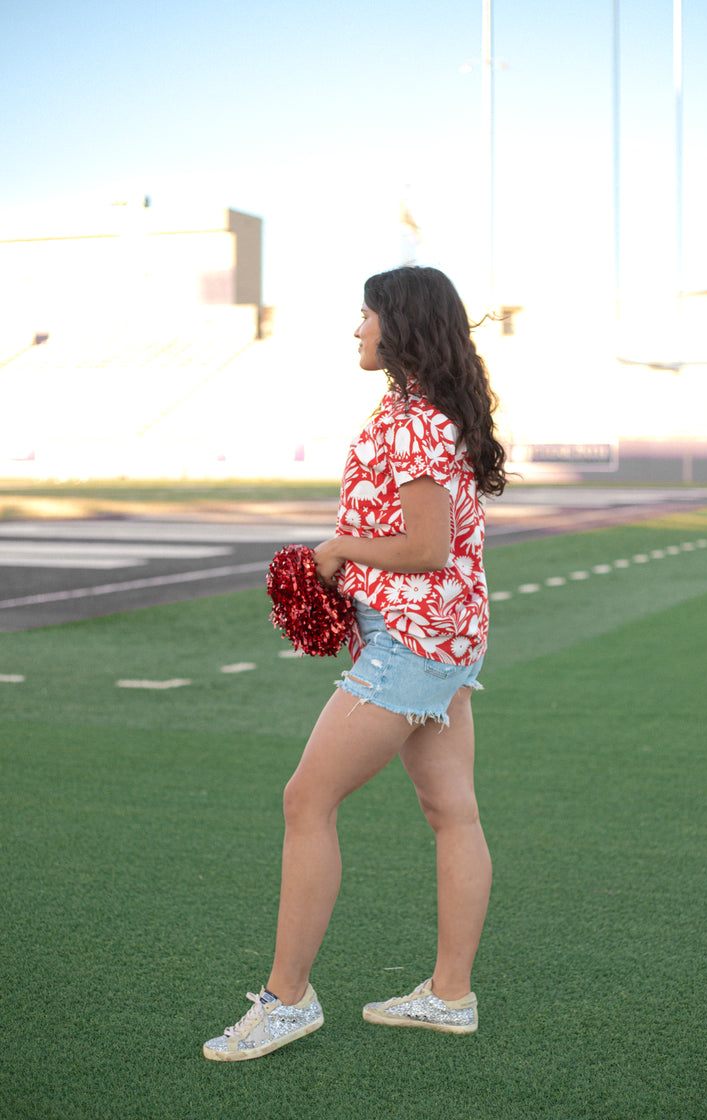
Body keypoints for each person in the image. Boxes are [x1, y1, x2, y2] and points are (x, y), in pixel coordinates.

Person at [203, 266, 508, 1062]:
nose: (356, 328)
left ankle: (288, 1000)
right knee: (454, 813)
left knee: (307, 799)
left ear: (398, 325)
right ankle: (449, 997)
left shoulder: (415, 423)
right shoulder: (421, 410)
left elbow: (426, 545)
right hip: (442, 637)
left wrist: (336, 549)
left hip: (411, 641)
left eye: (366, 314)